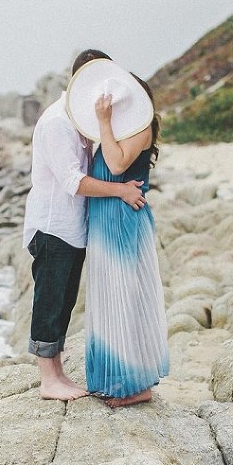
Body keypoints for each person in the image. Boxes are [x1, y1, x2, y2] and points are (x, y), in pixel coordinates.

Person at [23, 49, 147, 401]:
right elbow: (73, 181)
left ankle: (58, 373)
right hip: (53, 226)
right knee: (49, 300)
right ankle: (48, 379)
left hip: (73, 227)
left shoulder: (79, 122)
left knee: (64, 300)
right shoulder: (56, 123)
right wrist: (121, 191)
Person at [75, 65, 169, 405]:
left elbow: (116, 167)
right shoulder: (121, 130)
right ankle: (114, 381)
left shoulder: (139, 129)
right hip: (106, 221)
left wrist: (102, 123)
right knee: (108, 298)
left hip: (124, 223)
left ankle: (135, 386)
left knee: (126, 300)